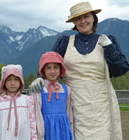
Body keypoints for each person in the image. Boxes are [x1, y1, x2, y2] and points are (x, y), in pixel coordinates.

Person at [30, 2, 129, 140]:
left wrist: (110, 48)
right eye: (78, 18)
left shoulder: (106, 41)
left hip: (101, 103)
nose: (83, 21)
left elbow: (121, 69)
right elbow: (49, 62)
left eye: (86, 17)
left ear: (93, 18)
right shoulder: (65, 42)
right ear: (74, 22)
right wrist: (40, 76)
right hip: (73, 101)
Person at [30, 52, 73, 140]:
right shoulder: (38, 90)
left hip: (63, 131)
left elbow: (70, 115)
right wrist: (40, 136)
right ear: (43, 70)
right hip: (47, 131)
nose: (52, 71)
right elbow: (37, 115)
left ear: (60, 69)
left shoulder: (66, 89)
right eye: (48, 68)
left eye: (56, 67)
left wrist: (70, 133)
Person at [0, 64, 37, 140]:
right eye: (9, 80)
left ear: (20, 81)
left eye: (16, 79)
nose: (13, 83)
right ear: (4, 82)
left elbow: (32, 124)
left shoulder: (28, 100)